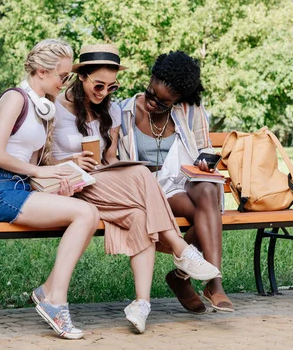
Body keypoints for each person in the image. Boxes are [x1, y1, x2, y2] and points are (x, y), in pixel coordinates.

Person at [49, 44, 221, 334]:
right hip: (67, 182)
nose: (104, 93)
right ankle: (181, 250)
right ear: (82, 77)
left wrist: (120, 170)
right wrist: (72, 161)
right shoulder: (53, 106)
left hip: (100, 182)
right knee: (142, 175)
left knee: (142, 208)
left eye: (111, 87)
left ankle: (141, 303)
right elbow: (42, 158)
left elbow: (112, 159)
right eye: (98, 85)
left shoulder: (112, 111)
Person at [0, 39, 100, 340]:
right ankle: (55, 301)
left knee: (90, 214)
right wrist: (39, 171)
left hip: (20, 187)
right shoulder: (15, 99)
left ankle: (48, 290)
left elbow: (38, 162)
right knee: (85, 214)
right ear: (42, 72)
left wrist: (67, 168)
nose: (66, 82)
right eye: (63, 76)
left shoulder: (45, 107)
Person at [118, 51, 234, 314]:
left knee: (206, 189)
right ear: (150, 80)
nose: (153, 103)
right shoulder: (124, 112)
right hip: (149, 189)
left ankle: (213, 284)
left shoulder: (189, 110)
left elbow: (204, 146)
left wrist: (205, 163)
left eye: (163, 102)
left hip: (184, 180)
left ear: (178, 99)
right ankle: (184, 279)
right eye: (151, 94)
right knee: (208, 214)